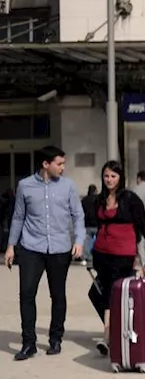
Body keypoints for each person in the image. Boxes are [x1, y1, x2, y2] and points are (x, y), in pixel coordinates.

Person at [5, 145, 85, 360]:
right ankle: (28, 343)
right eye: (59, 164)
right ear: (45, 164)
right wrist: (11, 246)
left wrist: (79, 240)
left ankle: (55, 339)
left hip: (60, 248)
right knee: (26, 295)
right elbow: (18, 217)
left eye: (63, 163)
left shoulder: (68, 186)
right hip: (31, 247)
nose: (63, 168)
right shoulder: (25, 186)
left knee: (58, 295)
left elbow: (78, 215)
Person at [89, 161, 145, 356]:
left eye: (113, 176)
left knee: (111, 293)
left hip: (123, 255)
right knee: (97, 293)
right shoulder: (100, 199)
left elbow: (142, 225)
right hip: (101, 254)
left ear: (121, 178)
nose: (109, 180)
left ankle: (108, 337)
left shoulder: (130, 199)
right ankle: (116, 330)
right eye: (106, 176)